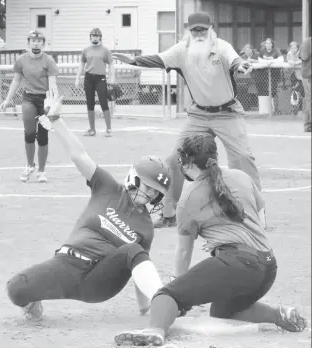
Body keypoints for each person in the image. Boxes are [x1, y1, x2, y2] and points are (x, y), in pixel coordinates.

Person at [114, 134, 308, 347]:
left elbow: (184, 252)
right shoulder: (241, 177)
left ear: (187, 163)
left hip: (239, 263)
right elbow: (260, 219)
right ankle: (280, 315)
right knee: (223, 310)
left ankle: (155, 330)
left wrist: (177, 290)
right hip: (269, 266)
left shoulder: (189, 197)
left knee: (166, 294)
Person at [6, 94, 171, 322]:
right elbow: (79, 154)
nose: (151, 194)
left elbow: (139, 266)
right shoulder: (107, 187)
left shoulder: (145, 228)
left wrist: (147, 308)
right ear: (134, 178)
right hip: (65, 265)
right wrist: (56, 120)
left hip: (99, 281)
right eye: (149, 186)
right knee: (16, 288)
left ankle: (163, 304)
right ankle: (34, 301)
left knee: (132, 250)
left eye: (156, 192)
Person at [113, 12, 265, 229]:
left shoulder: (221, 46)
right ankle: (169, 214)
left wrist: (241, 65)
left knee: (242, 158)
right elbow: (159, 59)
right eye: (195, 30)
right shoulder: (181, 50)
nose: (199, 33)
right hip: (198, 115)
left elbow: (235, 61)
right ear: (189, 31)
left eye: (203, 29)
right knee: (175, 159)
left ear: (211, 28)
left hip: (227, 113)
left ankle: (254, 213)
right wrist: (135, 60)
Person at [0, 30, 59, 183]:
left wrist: (52, 104)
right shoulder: (21, 60)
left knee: (43, 136)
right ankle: (29, 165)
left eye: (39, 41)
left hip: (44, 100)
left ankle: (41, 171)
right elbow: (16, 81)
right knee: (30, 132)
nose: (36, 43)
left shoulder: (48, 61)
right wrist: (7, 100)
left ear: (43, 43)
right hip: (29, 98)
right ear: (28, 43)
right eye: (33, 40)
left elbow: (52, 83)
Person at [75, 28, 114, 137]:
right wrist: (78, 77)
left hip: (100, 78)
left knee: (103, 102)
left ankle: (109, 129)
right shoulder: (86, 50)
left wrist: (112, 77)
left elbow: (111, 64)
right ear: (90, 37)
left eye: (97, 36)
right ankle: (92, 130)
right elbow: (82, 64)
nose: (95, 37)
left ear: (100, 37)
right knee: (90, 103)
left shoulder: (105, 50)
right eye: (93, 36)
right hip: (88, 78)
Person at [258, 38, 284, 115]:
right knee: (266, 90)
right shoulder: (262, 49)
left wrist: (271, 61)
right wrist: (267, 62)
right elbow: (259, 60)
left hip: (275, 73)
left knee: (273, 90)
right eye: (266, 43)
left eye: (269, 43)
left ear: (272, 44)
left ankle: (275, 109)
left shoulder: (276, 49)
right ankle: (269, 110)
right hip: (264, 74)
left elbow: (281, 59)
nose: (267, 45)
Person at [287, 41, 304, 116]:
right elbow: (288, 61)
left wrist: (296, 63)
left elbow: (303, 60)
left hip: (301, 76)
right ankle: (295, 109)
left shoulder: (300, 53)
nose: (293, 49)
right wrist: (291, 62)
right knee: (294, 91)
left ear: (297, 48)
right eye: (292, 48)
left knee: (303, 92)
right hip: (293, 75)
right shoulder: (289, 53)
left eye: (295, 48)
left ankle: (303, 108)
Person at [298, 37, 311, 133]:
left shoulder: (307, 41)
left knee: (308, 99)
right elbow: (304, 56)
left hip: (307, 74)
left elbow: (302, 56)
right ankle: (307, 126)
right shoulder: (308, 42)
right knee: (309, 100)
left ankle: (307, 126)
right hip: (308, 75)